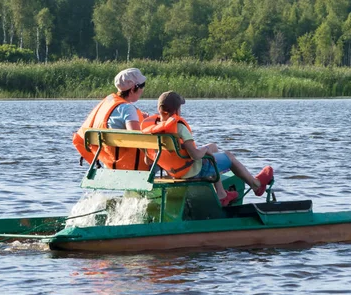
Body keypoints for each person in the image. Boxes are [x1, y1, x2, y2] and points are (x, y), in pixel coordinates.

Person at [141, 91, 273, 207]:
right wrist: (204, 150)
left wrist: (206, 149)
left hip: (173, 172)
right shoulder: (179, 128)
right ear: (177, 111)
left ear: (159, 109)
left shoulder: (151, 129)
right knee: (229, 156)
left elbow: (148, 161)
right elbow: (196, 155)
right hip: (193, 171)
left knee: (213, 147)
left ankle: (221, 193)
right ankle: (256, 185)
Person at [73, 68, 150, 170]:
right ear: (132, 89)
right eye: (142, 86)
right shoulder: (128, 109)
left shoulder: (109, 102)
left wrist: (140, 118)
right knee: (165, 157)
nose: (143, 89)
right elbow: (135, 138)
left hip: (109, 164)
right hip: (130, 165)